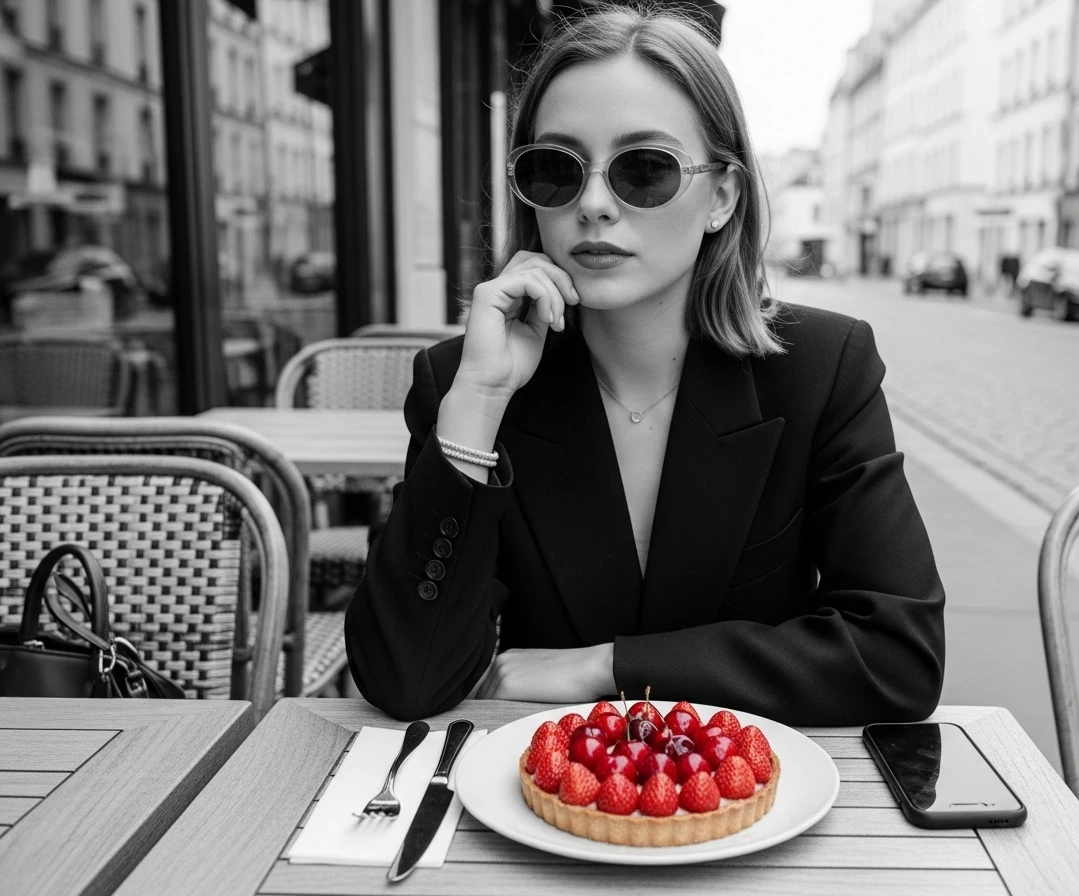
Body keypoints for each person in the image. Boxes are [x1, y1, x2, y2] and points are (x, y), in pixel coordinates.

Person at [344, 5, 946, 727]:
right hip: (538, 805)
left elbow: (898, 657)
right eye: (555, 169)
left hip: (755, 804)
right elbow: (404, 681)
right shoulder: (469, 380)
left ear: (722, 196)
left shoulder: (821, 369)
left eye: (645, 169)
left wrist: (612, 665)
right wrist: (477, 401)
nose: (593, 205)